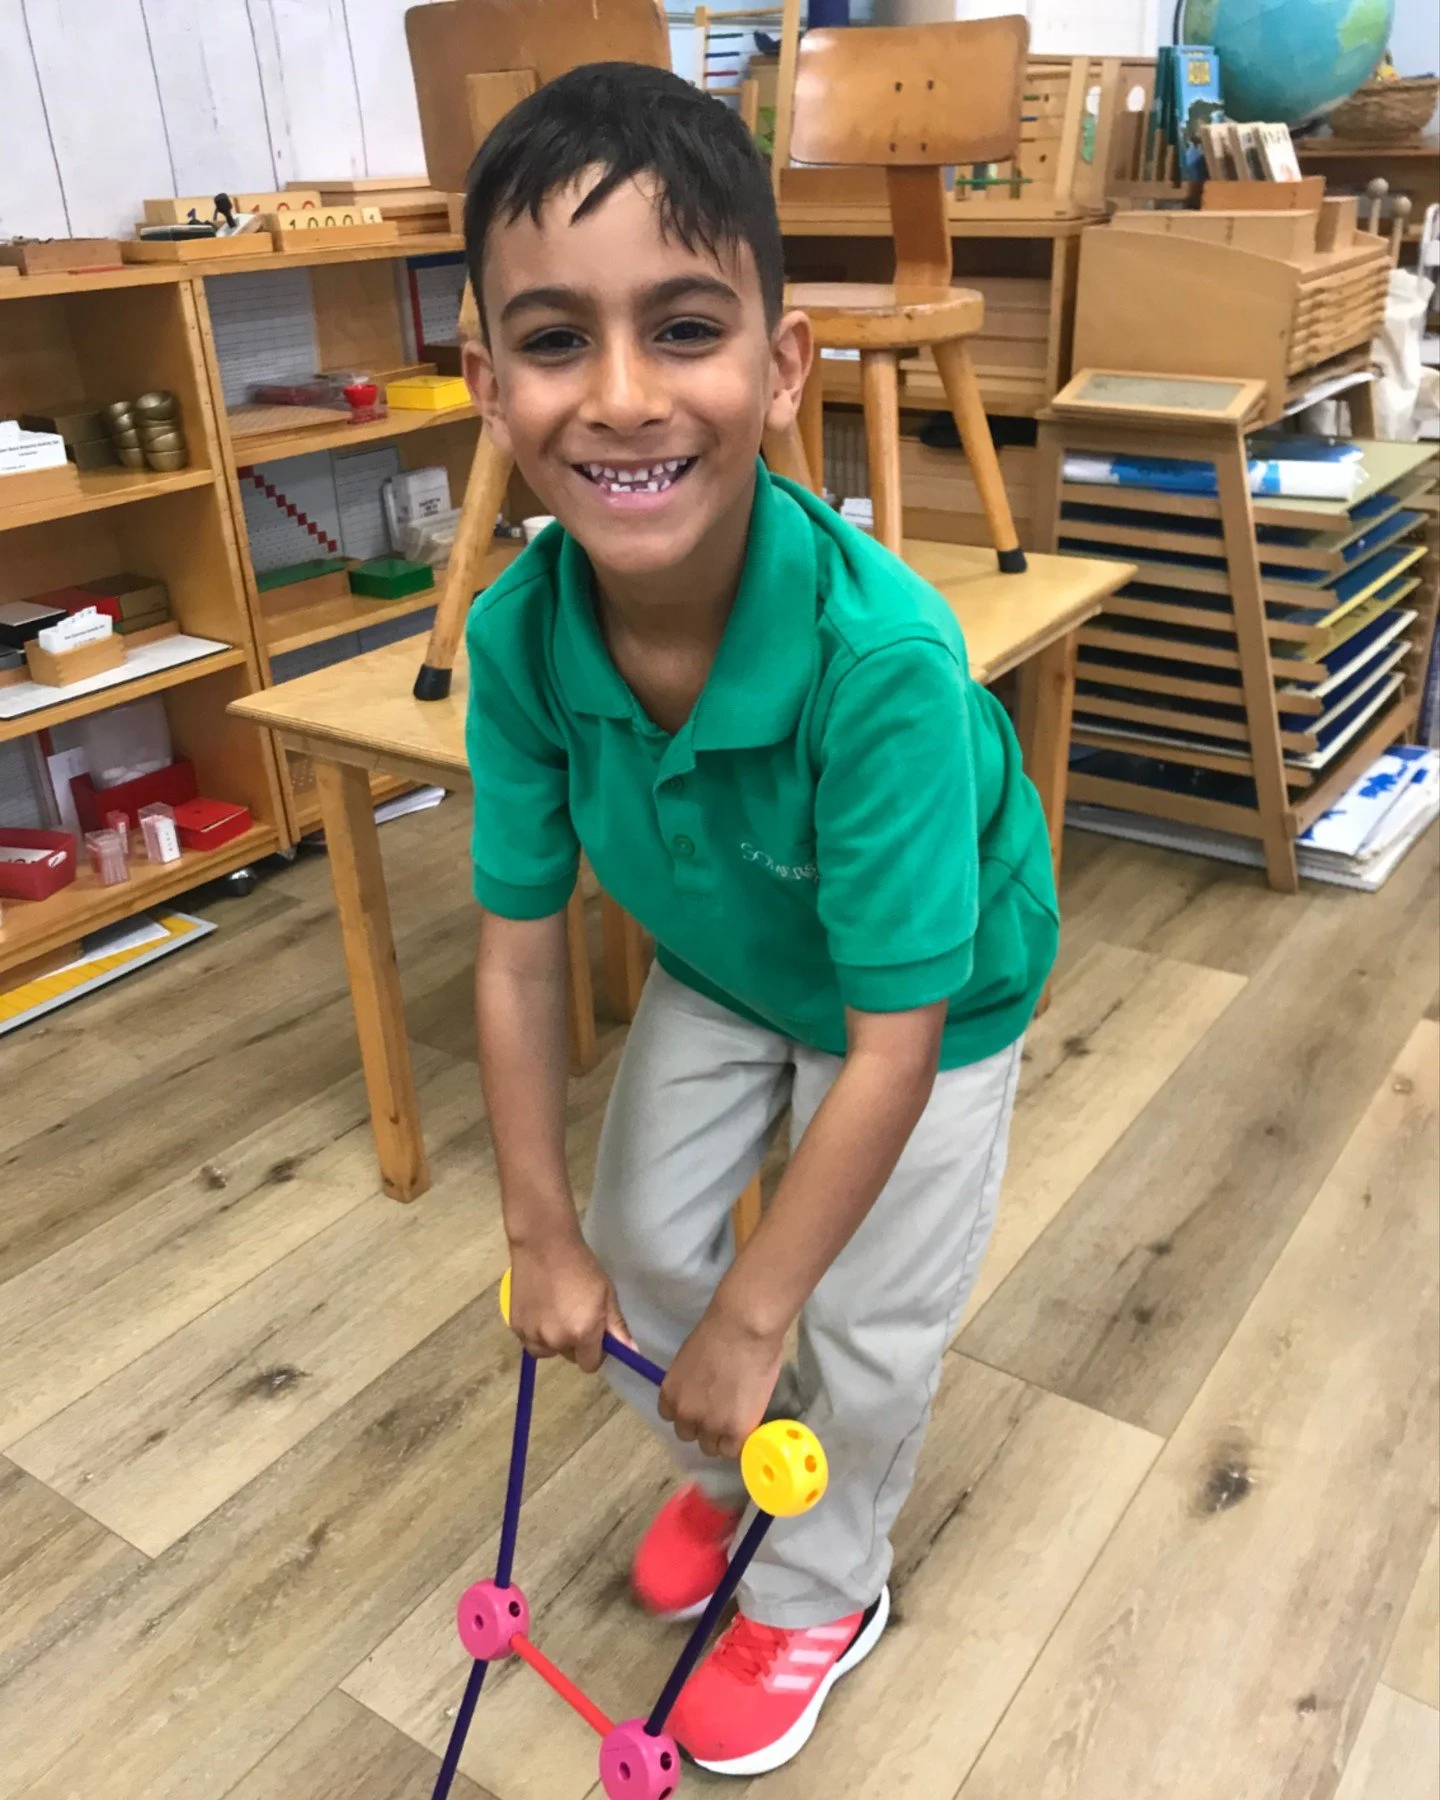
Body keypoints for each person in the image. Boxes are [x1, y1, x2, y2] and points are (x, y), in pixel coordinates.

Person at [461, 60, 1058, 1777]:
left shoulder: (883, 666)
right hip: (729, 958)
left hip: (930, 1005)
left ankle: (818, 1584)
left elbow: (892, 1048)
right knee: (645, 1246)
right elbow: (514, 957)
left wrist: (758, 1314)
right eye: (556, 340)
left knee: (855, 1323)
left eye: (685, 328)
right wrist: (539, 1232)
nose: (621, 397)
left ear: (783, 367)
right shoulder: (515, 640)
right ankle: (741, 1476)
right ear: (491, 388)